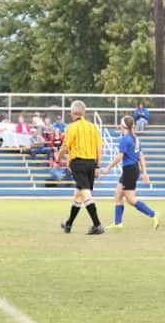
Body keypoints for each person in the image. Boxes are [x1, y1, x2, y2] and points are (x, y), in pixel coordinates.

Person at [102, 116, 160, 230]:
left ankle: (153, 214)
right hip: (131, 170)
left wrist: (108, 168)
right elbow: (141, 156)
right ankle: (118, 223)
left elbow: (119, 157)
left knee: (130, 199)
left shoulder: (125, 139)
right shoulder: (135, 139)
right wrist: (144, 172)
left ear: (123, 125)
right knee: (118, 195)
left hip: (129, 170)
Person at [58, 100, 104, 235]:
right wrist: (97, 166)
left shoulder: (71, 127)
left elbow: (65, 146)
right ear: (83, 112)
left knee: (85, 194)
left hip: (78, 163)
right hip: (91, 163)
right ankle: (68, 224)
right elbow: (99, 148)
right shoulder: (93, 127)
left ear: (72, 113)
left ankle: (97, 225)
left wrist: (58, 159)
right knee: (78, 195)